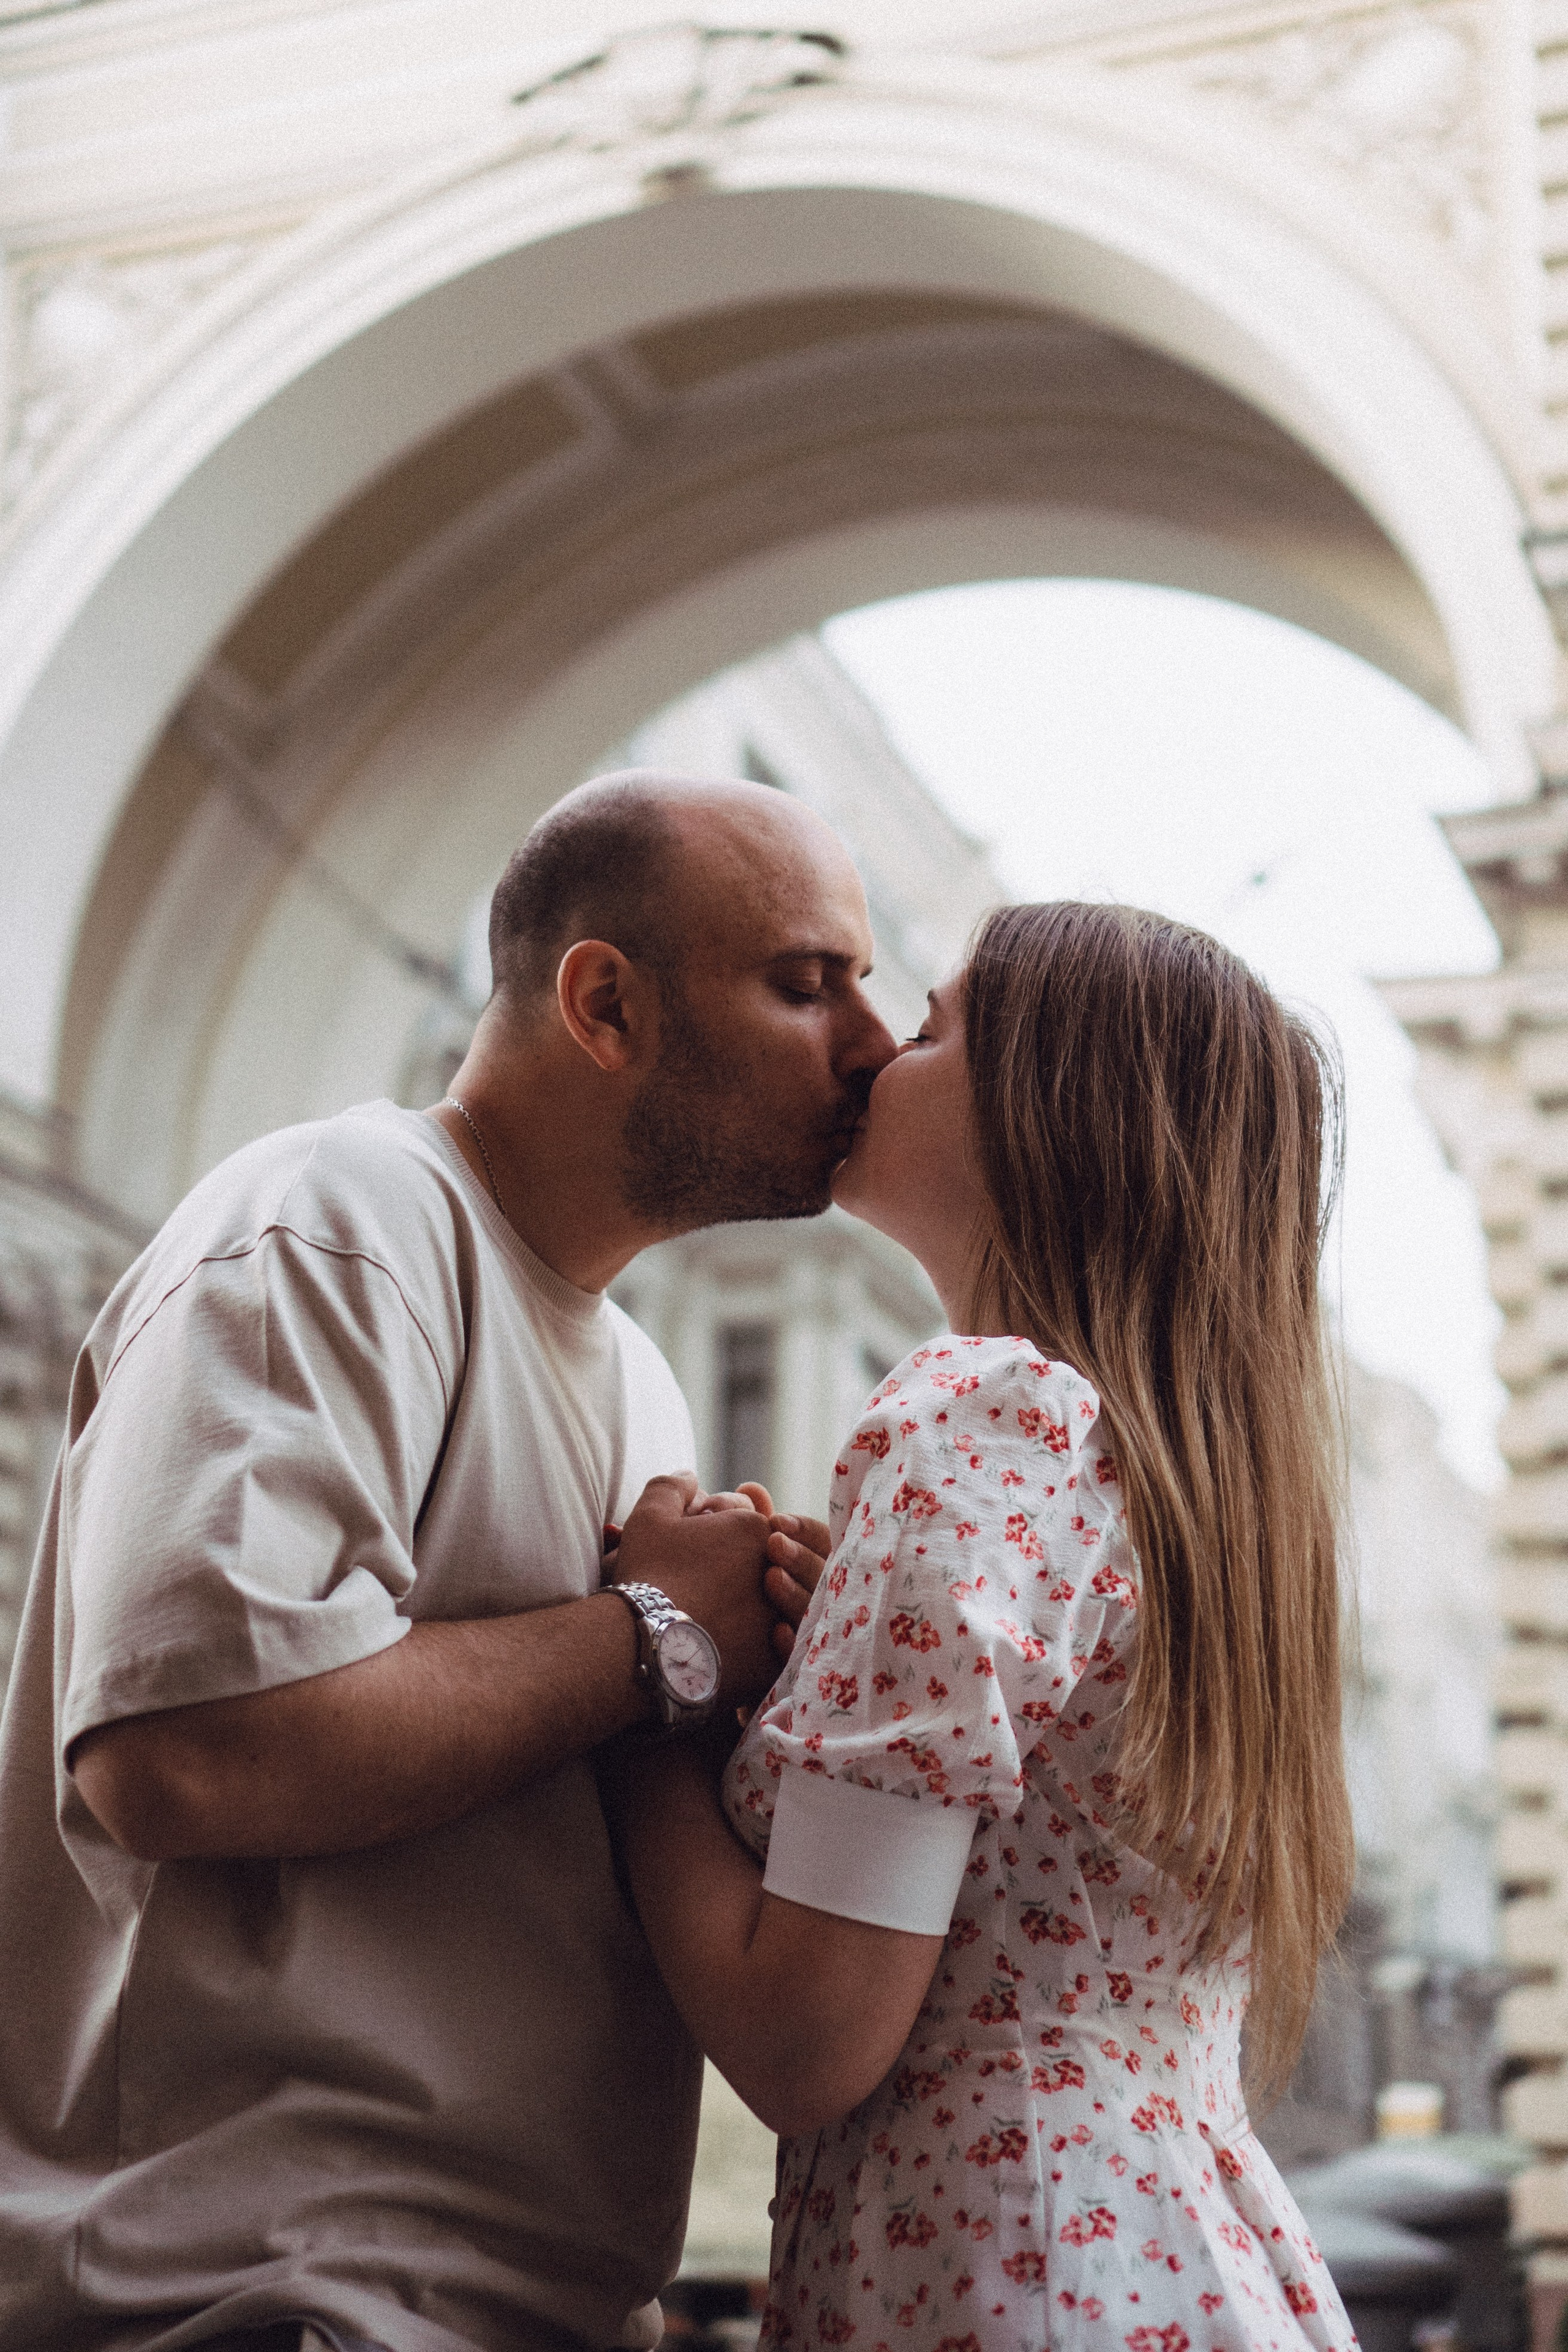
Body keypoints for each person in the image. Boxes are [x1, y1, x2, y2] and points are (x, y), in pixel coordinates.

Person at [0, 772, 883, 2352]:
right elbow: (184, 1752)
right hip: (262, 2294)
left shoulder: (637, 1377)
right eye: (805, 985)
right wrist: (657, 1631)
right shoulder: (334, 1224)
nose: (868, 1045)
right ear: (604, 1004)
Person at [616, 900, 1359, 2350]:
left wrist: (654, 1666)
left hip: (1013, 2265)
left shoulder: (977, 1409)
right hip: (1171, 2257)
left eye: (937, 1024)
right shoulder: (1183, 1486)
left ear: (1050, 1114)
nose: (882, 1044)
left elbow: (805, 2038)